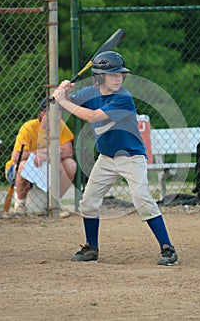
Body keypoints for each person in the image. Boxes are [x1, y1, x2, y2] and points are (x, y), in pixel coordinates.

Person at [52, 51, 178, 266]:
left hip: (131, 157)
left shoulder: (123, 98)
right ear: (100, 77)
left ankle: (168, 248)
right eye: (112, 74)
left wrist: (63, 101)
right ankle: (91, 247)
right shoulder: (89, 93)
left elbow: (91, 116)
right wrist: (63, 93)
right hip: (106, 158)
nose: (118, 78)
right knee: (88, 202)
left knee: (141, 199)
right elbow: (62, 108)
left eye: (120, 74)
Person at [5, 98, 77, 213]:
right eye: (54, 113)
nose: (58, 117)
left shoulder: (60, 126)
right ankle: (20, 205)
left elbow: (68, 152)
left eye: (60, 113)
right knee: (23, 165)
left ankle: (54, 204)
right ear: (43, 114)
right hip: (24, 168)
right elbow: (16, 157)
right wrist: (38, 154)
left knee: (70, 164)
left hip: (48, 167)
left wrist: (47, 154)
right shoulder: (29, 127)